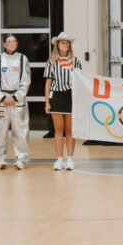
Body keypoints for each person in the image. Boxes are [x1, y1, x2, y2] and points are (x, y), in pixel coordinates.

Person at [0, 33, 32, 170]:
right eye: (8, 41)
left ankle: (21, 158)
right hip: (1, 101)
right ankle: (0, 158)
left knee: (20, 131)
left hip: (18, 101)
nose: (11, 44)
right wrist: (1, 97)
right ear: (4, 44)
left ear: (17, 43)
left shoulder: (22, 59)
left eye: (13, 41)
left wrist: (15, 97)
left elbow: (26, 80)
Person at [44, 32, 81, 171]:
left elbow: (80, 81)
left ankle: (70, 159)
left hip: (71, 96)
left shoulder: (75, 61)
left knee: (70, 130)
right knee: (58, 130)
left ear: (69, 45)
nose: (65, 45)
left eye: (67, 43)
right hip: (56, 96)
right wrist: (47, 102)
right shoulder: (51, 62)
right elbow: (48, 84)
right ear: (57, 45)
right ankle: (59, 159)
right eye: (62, 42)